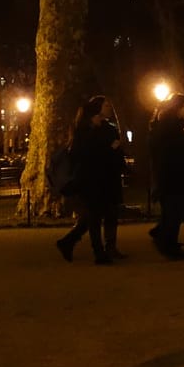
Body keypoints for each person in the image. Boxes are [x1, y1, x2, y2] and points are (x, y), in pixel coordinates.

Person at [55, 96, 126, 265]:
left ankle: (72, 242)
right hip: (91, 179)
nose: (109, 108)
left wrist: (119, 161)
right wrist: (110, 149)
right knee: (94, 216)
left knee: (106, 213)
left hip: (108, 178)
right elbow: (84, 155)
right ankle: (98, 252)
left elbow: (115, 152)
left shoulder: (108, 128)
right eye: (106, 105)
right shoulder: (83, 131)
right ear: (97, 109)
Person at [148, 93, 184, 259]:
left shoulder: (170, 127)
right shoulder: (169, 128)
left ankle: (166, 238)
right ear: (177, 108)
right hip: (172, 176)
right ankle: (167, 243)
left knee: (177, 210)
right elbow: (166, 155)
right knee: (175, 211)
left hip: (174, 175)